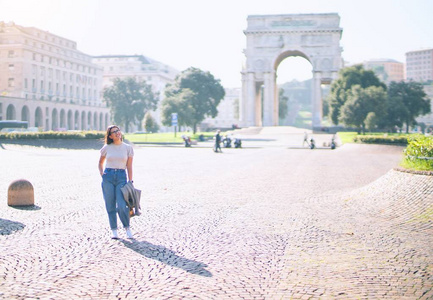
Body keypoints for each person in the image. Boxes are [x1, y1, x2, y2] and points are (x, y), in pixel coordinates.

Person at [98, 125, 134, 239]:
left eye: (118, 130)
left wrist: (130, 180)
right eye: (114, 132)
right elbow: (100, 163)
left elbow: (129, 166)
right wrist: (102, 174)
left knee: (122, 205)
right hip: (108, 177)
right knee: (110, 205)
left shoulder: (128, 148)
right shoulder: (107, 147)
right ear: (110, 136)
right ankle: (114, 230)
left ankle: (127, 228)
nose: (118, 133)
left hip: (121, 177)